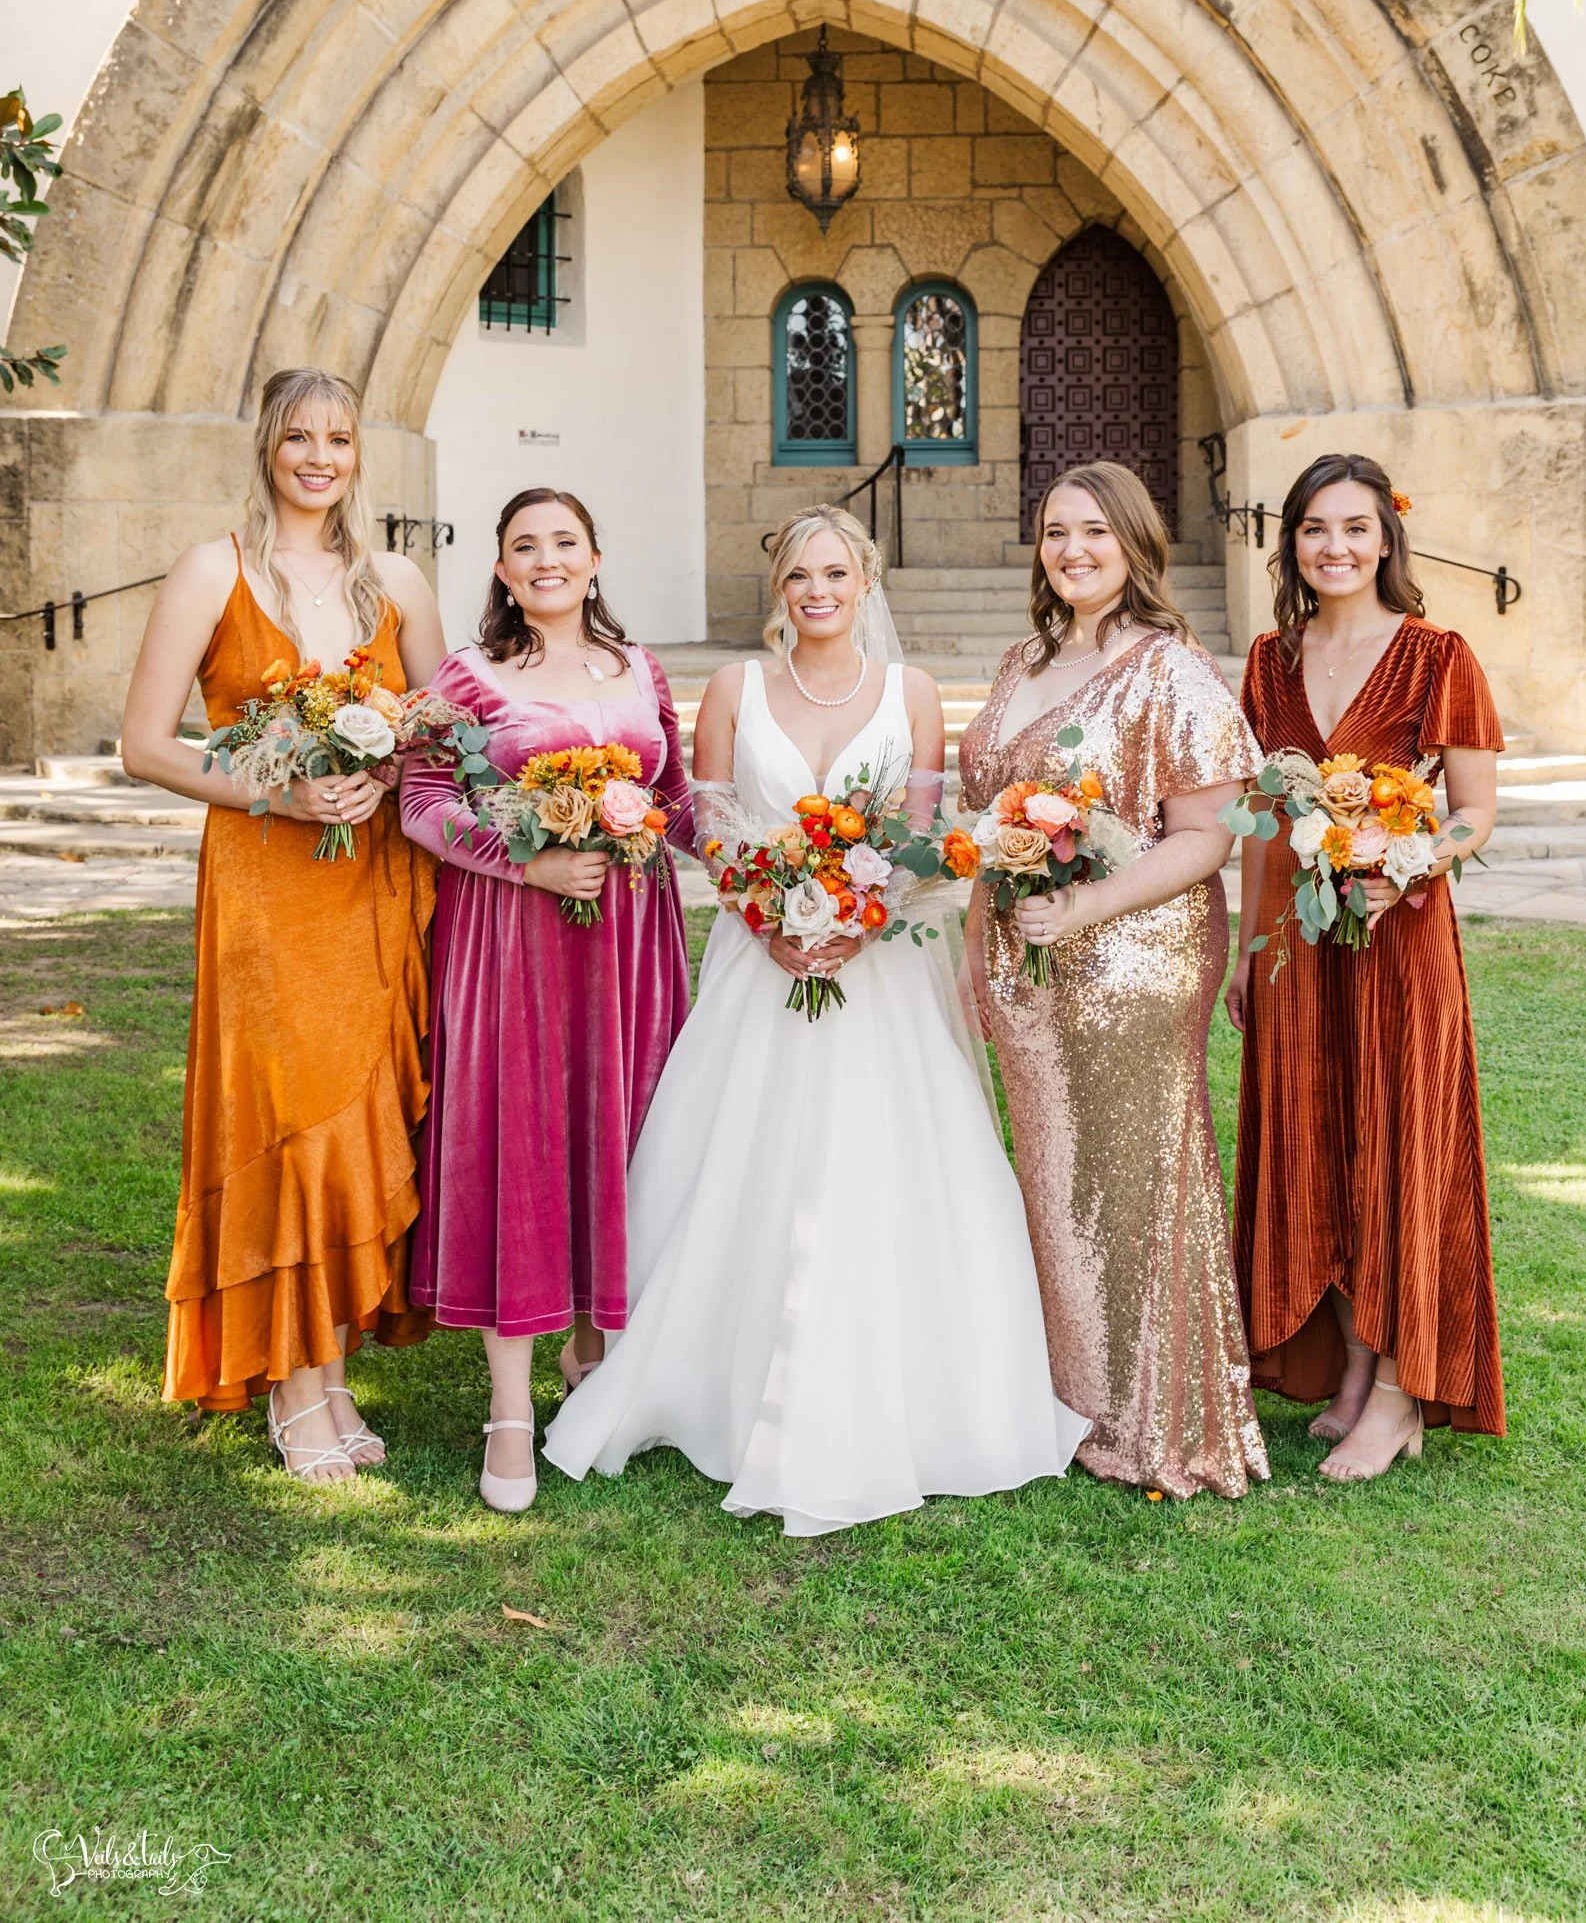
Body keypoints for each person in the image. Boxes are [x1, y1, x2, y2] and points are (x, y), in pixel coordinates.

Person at [545, 504, 1087, 1535]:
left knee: (890, 1165)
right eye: (798, 574)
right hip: (760, 961)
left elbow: (925, 836)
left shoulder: (912, 694)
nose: (816, 591)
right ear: (779, 588)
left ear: (866, 580)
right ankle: (703, 1372)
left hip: (879, 971)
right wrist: (773, 913)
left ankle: (918, 1386)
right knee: (739, 1157)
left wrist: (859, 919)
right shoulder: (735, 690)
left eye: (834, 572)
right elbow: (702, 825)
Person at [121, 367, 445, 1480]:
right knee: (288, 1113)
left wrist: (390, 772)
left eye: (339, 437)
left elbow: (442, 735)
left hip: (376, 882)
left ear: (360, 453)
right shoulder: (215, 569)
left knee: (362, 1118)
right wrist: (276, 788)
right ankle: (292, 1383)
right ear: (268, 445)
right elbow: (147, 744)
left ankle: (333, 1368)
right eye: (298, 436)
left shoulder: (394, 577)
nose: (318, 455)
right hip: (268, 885)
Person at [958, 460, 1268, 1501]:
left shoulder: (1166, 667)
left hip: (1132, 952)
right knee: (1053, 1179)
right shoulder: (1022, 657)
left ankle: (1150, 1416)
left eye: (1093, 531)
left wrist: (1087, 907)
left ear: (1134, 543)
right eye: (1054, 532)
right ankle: (1066, 1395)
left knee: (1130, 1181)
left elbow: (1203, 837)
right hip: (1023, 951)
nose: (1071, 550)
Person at [398, 488, 693, 1513]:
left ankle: (594, 1358)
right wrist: (527, 867)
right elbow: (424, 804)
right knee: (519, 1146)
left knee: (623, 1135)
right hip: (513, 941)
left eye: (564, 541)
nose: (547, 559)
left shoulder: (638, 667)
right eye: (525, 546)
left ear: (596, 556)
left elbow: (679, 803)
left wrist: (787, 866)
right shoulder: (468, 678)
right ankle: (508, 1408)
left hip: (632, 944)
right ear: (502, 571)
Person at [1226, 453, 1504, 1479]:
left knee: (1393, 1142)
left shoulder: (1438, 655)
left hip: (1399, 943)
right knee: (1316, 1143)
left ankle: (1398, 1392)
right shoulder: (1265, 660)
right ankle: (1347, 1366)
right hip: (1296, 946)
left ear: (1386, 537)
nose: (1332, 547)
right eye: (1311, 528)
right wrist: (1246, 952)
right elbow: (1261, 822)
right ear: (1290, 542)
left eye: (1352, 527)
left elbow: (1472, 811)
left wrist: (1412, 856)